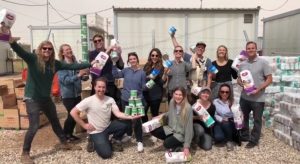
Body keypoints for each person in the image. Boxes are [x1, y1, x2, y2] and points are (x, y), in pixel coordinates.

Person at [8, 32, 93, 164]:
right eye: (44, 48)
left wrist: (89, 64)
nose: (47, 50)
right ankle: (25, 153)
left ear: (52, 51)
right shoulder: (33, 59)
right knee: (34, 126)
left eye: (49, 49)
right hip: (32, 98)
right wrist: (12, 42)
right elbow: (19, 51)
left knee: (55, 121)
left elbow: (72, 66)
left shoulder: (55, 64)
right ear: (40, 50)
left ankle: (64, 143)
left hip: (46, 98)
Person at [70, 77, 141, 159]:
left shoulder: (110, 100)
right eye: (99, 87)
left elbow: (118, 113)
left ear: (106, 88)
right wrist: (84, 125)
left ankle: (114, 139)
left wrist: (132, 116)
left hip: (108, 126)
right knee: (106, 154)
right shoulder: (88, 100)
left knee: (127, 123)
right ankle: (92, 140)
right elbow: (73, 112)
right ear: (94, 87)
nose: (101, 89)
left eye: (103, 87)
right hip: (96, 131)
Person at [237, 41, 272, 149]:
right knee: (244, 118)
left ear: (256, 49)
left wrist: (259, 89)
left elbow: (269, 79)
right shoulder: (242, 64)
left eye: (252, 48)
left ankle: (254, 140)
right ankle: (245, 136)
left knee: (257, 120)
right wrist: (241, 83)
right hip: (245, 97)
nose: (250, 50)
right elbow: (238, 79)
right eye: (248, 48)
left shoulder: (263, 63)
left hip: (258, 98)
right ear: (246, 50)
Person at [112, 52, 146, 152]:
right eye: (130, 59)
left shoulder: (142, 73)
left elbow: (143, 86)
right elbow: (116, 75)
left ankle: (139, 141)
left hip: (137, 99)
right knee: (127, 119)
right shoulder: (125, 70)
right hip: (125, 98)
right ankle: (129, 134)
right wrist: (114, 64)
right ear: (128, 61)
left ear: (137, 60)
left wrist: (149, 85)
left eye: (134, 58)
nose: (132, 60)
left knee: (137, 120)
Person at [151, 86, 193, 157]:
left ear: (184, 96)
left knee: (166, 144)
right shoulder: (172, 102)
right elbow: (170, 112)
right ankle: (172, 141)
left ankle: (181, 144)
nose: (178, 96)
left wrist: (186, 147)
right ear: (173, 94)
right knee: (153, 129)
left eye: (180, 95)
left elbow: (189, 128)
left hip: (181, 134)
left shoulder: (188, 108)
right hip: (170, 129)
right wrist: (161, 116)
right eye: (176, 94)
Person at [58, 44, 87, 142]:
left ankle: (70, 134)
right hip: (67, 95)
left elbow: (82, 77)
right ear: (62, 53)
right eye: (66, 50)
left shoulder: (75, 63)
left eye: (69, 49)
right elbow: (65, 80)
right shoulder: (61, 65)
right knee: (71, 115)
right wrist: (79, 75)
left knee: (76, 115)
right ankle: (65, 135)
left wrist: (84, 75)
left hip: (77, 93)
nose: (69, 51)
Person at [89, 34, 124, 98]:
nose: (97, 42)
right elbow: (95, 69)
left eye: (99, 40)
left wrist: (119, 54)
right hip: (97, 85)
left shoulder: (111, 52)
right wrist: (107, 51)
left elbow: (121, 66)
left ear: (103, 41)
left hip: (109, 83)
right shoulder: (91, 54)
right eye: (95, 41)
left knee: (111, 105)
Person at [142, 48, 165, 123]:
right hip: (146, 93)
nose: (154, 57)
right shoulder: (147, 65)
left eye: (156, 55)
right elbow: (144, 76)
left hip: (156, 94)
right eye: (153, 55)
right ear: (150, 56)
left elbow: (160, 81)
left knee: (154, 114)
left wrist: (149, 77)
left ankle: (155, 132)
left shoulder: (161, 67)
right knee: (143, 112)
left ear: (159, 57)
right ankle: (146, 128)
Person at [213, 84, 236, 151]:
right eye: (222, 92)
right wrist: (221, 119)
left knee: (226, 123)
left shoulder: (233, 101)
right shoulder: (215, 101)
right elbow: (214, 114)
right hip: (219, 122)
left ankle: (229, 141)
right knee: (218, 137)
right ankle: (228, 136)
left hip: (230, 123)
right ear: (219, 92)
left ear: (229, 93)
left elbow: (237, 113)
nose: (224, 93)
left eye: (227, 92)